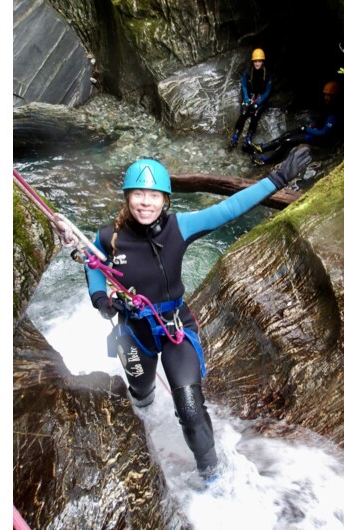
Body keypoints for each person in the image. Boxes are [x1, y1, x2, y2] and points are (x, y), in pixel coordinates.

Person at [85, 146, 312, 483]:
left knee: (190, 409)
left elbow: (231, 207)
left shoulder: (181, 227)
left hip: (175, 329)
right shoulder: (109, 237)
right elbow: (92, 264)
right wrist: (101, 299)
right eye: (137, 194)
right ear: (127, 197)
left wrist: (278, 177)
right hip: (134, 332)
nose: (145, 202)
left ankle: (213, 480)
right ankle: (143, 417)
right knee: (141, 393)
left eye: (153, 195)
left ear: (165, 199)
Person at [251, 80, 344, 166]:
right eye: (325, 94)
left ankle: (265, 161)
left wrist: (307, 129)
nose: (325, 97)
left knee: (288, 141)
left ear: (334, 96)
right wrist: (313, 125)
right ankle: (263, 148)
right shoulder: (328, 106)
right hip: (315, 132)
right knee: (287, 134)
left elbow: (323, 133)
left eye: (328, 95)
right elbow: (320, 119)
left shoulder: (334, 113)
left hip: (319, 139)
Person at [229, 48, 273, 151]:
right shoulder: (248, 72)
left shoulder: (267, 74)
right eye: (256, 61)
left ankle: (248, 138)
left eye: (259, 61)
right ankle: (235, 137)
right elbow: (244, 85)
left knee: (255, 114)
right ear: (253, 62)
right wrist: (247, 99)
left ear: (262, 62)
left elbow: (268, 91)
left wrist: (258, 102)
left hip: (261, 97)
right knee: (244, 113)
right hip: (251, 96)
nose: (257, 63)